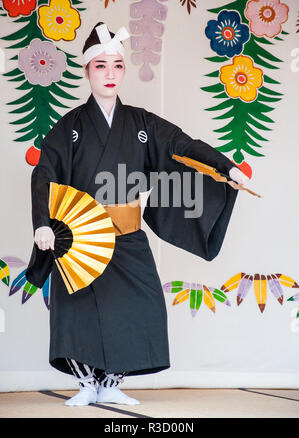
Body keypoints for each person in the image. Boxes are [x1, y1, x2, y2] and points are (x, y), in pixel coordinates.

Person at [26, 22, 248, 407]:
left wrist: (226, 168)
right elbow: (45, 172)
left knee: (141, 304)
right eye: (100, 66)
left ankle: (111, 383)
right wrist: (43, 223)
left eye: (117, 66)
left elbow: (182, 145)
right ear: (87, 70)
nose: (109, 74)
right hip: (79, 236)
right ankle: (86, 384)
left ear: (123, 71)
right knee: (78, 308)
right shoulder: (70, 127)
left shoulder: (142, 123)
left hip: (126, 233)